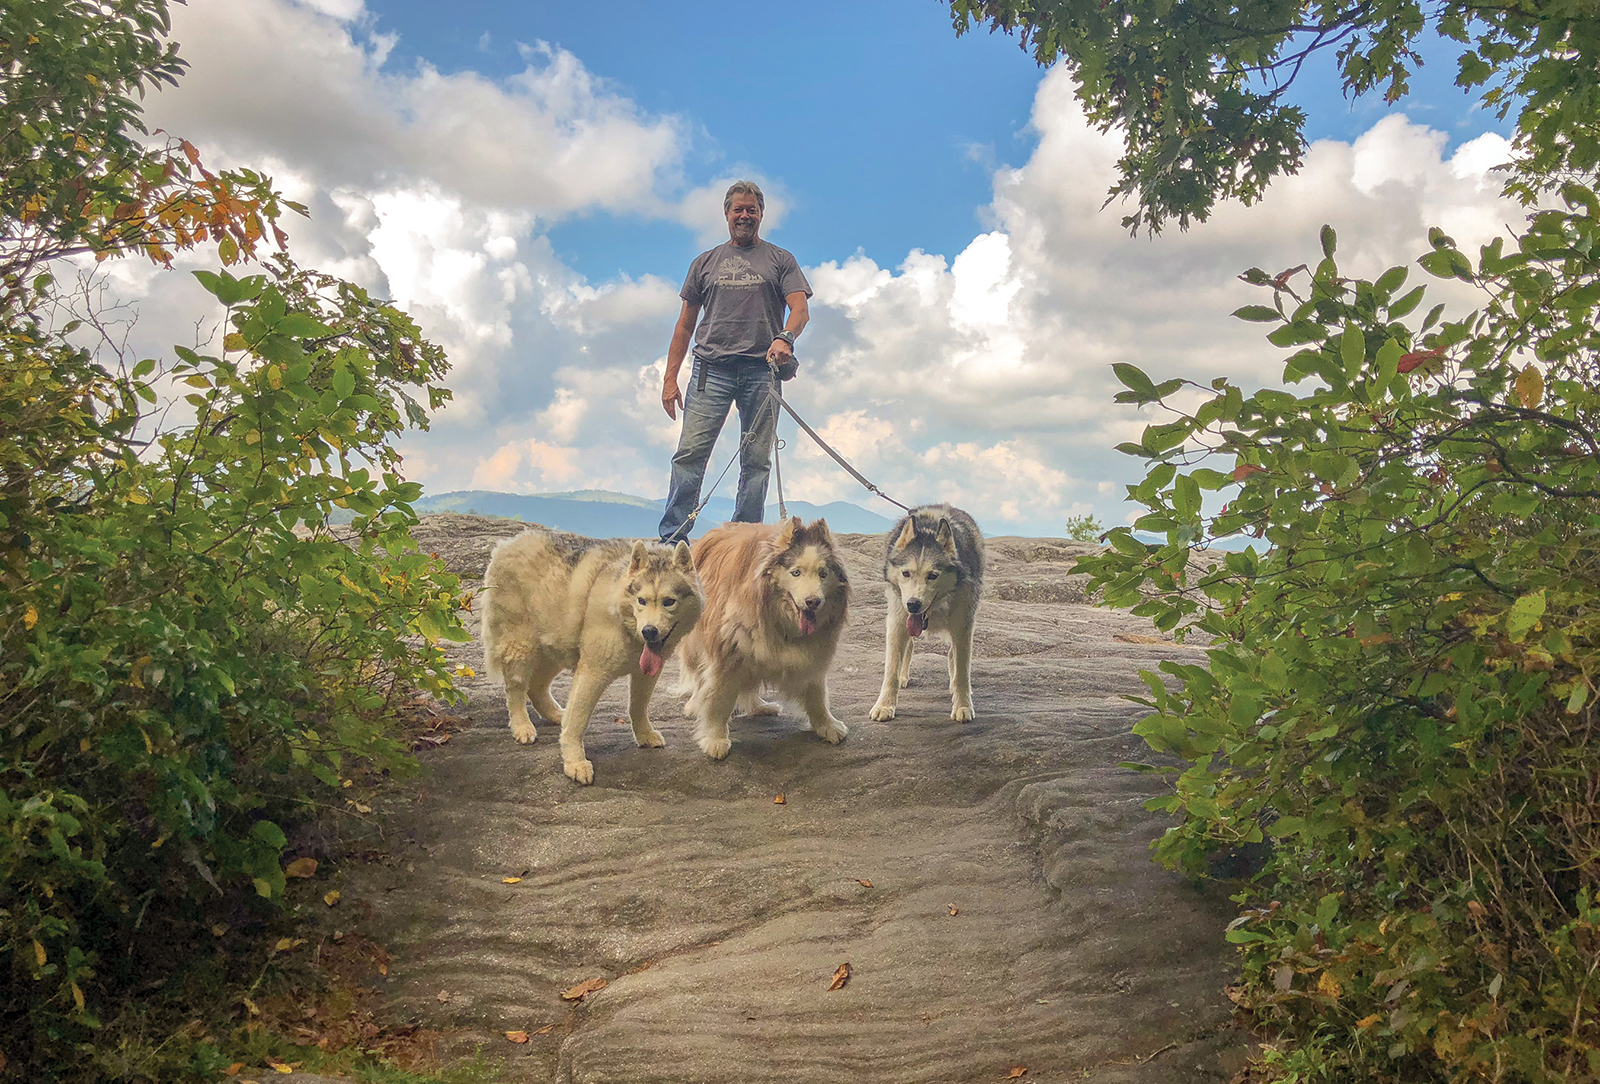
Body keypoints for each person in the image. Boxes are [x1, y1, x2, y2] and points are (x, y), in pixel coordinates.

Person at [657, 180, 811, 543]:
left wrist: (784, 337)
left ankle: (743, 541)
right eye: (738, 209)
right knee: (690, 455)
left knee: (756, 462)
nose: (744, 215)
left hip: (762, 370)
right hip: (711, 370)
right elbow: (684, 325)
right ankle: (671, 540)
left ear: (761, 214)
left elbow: (800, 309)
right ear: (726, 214)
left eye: (751, 209)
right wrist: (669, 379)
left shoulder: (780, 260)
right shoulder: (705, 263)